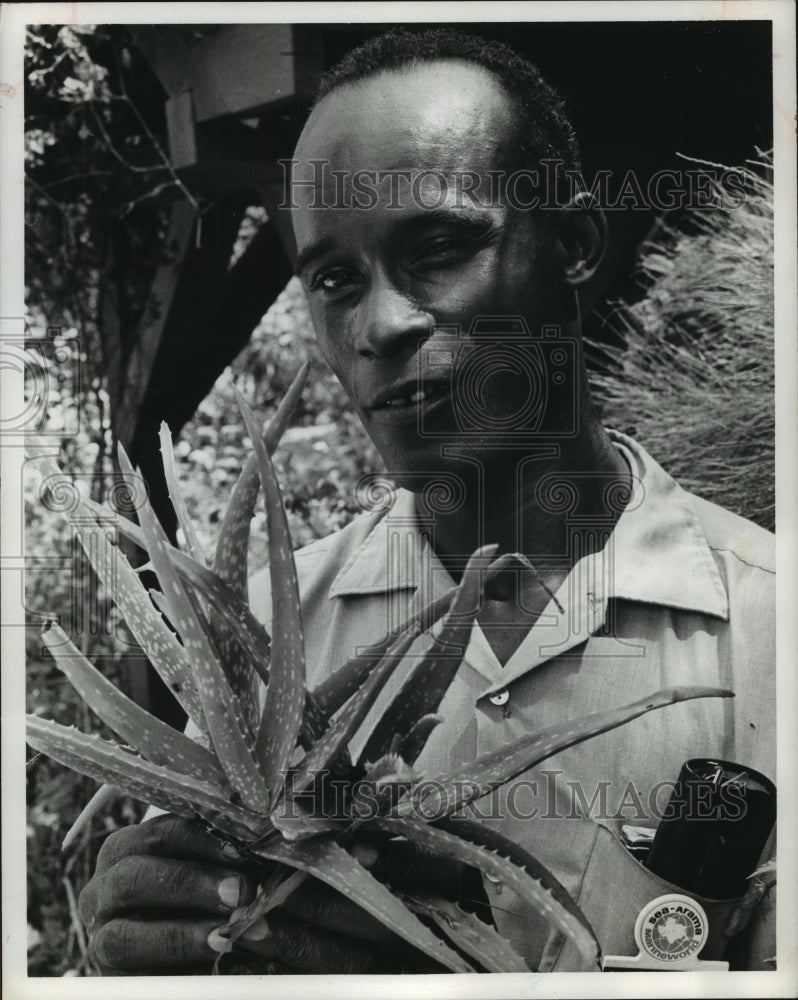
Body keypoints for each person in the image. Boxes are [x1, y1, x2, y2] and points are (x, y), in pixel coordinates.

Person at [79, 28, 775, 974]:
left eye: (440, 247)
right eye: (334, 280)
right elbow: (200, 922)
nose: (381, 323)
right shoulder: (265, 636)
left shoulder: (773, 627)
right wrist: (150, 938)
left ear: (572, 245)